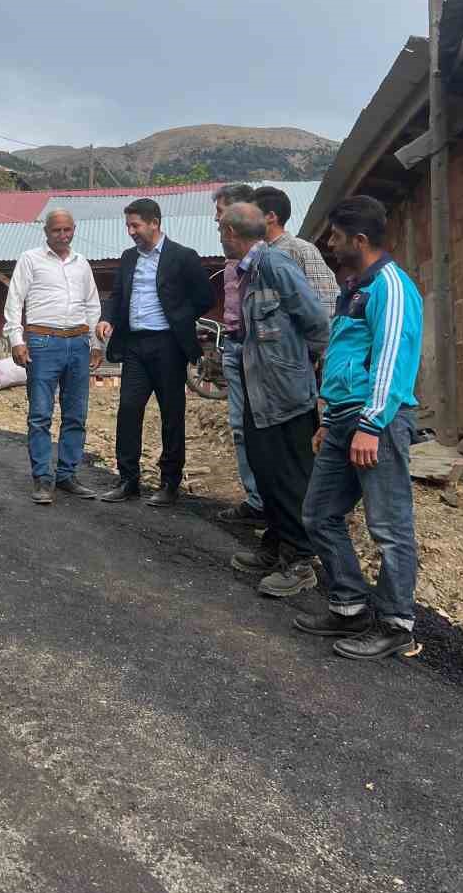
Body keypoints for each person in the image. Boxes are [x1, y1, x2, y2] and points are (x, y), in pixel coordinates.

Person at [293, 195, 424, 660]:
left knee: (388, 525)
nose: (330, 243)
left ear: (359, 240)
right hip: (345, 420)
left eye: (336, 236)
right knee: (319, 514)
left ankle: (395, 623)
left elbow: (392, 359)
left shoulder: (390, 285)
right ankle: (348, 604)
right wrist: (331, 420)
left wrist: (371, 423)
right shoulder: (356, 288)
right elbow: (345, 358)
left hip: (377, 422)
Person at [220, 203, 330, 598]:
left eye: (220, 228)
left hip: (286, 393)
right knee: (265, 470)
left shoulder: (276, 266)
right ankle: (277, 543)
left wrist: (303, 369)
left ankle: (300, 561)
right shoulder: (249, 270)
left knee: (289, 476)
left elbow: (317, 322)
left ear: (232, 232)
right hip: (259, 389)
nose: (219, 234)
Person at [97, 198, 215, 506]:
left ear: (154, 223)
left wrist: (178, 315)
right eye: (128, 226)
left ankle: (169, 483)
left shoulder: (183, 257)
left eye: (135, 225)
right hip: (134, 345)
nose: (131, 231)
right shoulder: (127, 258)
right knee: (128, 409)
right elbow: (117, 295)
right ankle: (128, 480)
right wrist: (107, 317)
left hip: (168, 345)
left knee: (171, 414)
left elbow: (204, 296)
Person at [4, 210, 103, 504]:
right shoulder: (30, 259)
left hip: (78, 342)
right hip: (42, 342)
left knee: (76, 414)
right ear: (46, 231)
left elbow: (92, 304)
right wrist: (16, 340)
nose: (63, 235)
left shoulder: (81, 263)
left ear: (74, 230)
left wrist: (96, 344)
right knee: (40, 415)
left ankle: (67, 475)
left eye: (67, 229)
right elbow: (15, 301)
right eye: (57, 230)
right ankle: (42, 479)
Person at [212, 183, 262, 525]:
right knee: (240, 426)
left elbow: (314, 315)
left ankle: (279, 507)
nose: (216, 222)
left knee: (265, 426)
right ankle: (256, 500)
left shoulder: (271, 258)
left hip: (262, 352)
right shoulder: (232, 263)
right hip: (234, 345)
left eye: (220, 214)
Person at [252, 186, 340, 318]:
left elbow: (328, 302)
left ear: (270, 217)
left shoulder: (300, 249)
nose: (245, 221)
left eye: (251, 215)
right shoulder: (258, 254)